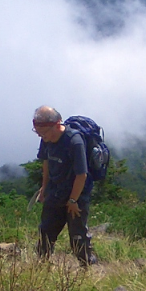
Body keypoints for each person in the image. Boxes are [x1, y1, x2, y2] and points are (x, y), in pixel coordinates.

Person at [33, 106, 98, 267]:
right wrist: (44, 188)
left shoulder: (74, 141)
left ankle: (87, 267)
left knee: (77, 235)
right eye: (38, 133)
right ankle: (41, 266)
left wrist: (73, 200)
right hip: (55, 191)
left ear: (56, 125)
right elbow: (46, 163)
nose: (42, 137)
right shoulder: (46, 139)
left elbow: (81, 174)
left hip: (76, 194)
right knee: (46, 231)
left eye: (44, 133)